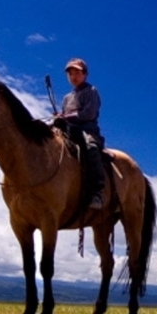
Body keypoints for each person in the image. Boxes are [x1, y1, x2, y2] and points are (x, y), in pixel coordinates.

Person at [56, 58, 106, 210]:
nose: (73, 76)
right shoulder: (66, 98)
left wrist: (67, 117)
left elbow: (88, 114)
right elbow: (64, 115)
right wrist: (59, 119)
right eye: (70, 73)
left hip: (87, 129)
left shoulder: (91, 92)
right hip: (69, 131)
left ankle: (98, 191)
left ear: (85, 74)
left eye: (77, 72)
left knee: (90, 147)